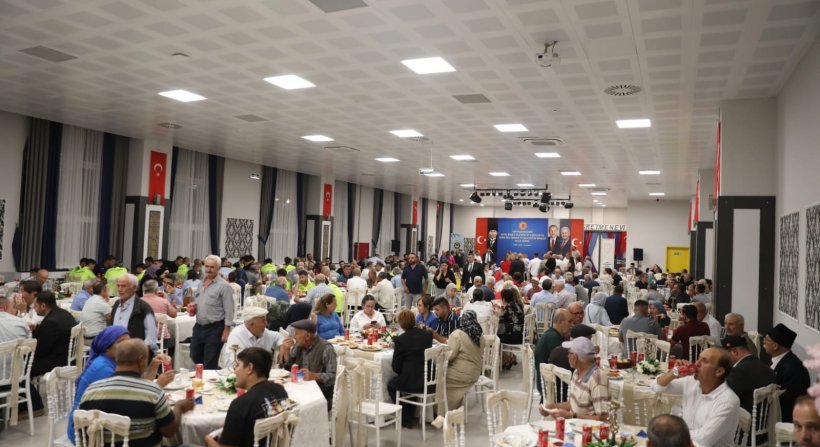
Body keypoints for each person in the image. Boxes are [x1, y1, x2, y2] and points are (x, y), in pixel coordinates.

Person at [79, 339, 195, 446]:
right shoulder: (153, 391)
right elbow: (169, 431)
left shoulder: (91, 390)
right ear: (141, 359)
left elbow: (82, 431)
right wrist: (179, 408)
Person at [652, 347, 740, 447]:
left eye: (704, 361)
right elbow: (656, 387)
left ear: (719, 371)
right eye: (698, 358)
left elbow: (703, 440)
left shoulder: (728, 401)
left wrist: (670, 431)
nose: (697, 363)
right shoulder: (692, 382)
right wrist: (674, 372)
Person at [205, 347, 288, 447]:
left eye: (237, 365)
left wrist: (208, 440)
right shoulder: (280, 390)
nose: (235, 371)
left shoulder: (241, 404)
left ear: (249, 368)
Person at [67, 326, 131, 443]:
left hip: (91, 421)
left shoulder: (109, 361)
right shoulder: (104, 369)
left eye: (129, 341)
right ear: (107, 347)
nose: (127, 346)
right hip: (84, 431)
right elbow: (123, 399)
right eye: (121, 342)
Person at [431, 309, 484, 430]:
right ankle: (452, 411)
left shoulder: (458, 334)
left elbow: (450, 356)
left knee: (440, 377)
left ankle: (441, 413)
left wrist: (438, 358)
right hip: (475, 373)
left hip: (461, 374)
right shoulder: (480, 335)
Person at [538, 337, 610, 421]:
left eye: (569, 353)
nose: (567, 356)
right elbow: (572, 404)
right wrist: (550, 408)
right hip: (573, 425)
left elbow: (604, 418)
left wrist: (570, 416)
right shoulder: (577, 373)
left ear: (574, 357)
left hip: (586, 428)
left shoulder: (597, 380)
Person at [388, 309, 433, 428]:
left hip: (413, 381)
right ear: (414, 320)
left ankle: (405, 415)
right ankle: (409, 415)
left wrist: (403, 372)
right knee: (410, 378)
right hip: (429, 380)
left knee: (392, 385)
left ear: (401, 324)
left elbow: (396, 367)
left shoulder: (401, 340)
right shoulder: (427, 335)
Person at [192, 255, 236, 369]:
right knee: (194, 356)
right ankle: (213, 372)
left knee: (209, 361)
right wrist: (193, 307)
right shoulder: (200, 283)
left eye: (212, 267)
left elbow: (229, 309)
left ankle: (209, 376)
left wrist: (227, 330)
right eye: (207, 266)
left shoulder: (224, 286)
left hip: (215, 328)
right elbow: (198, 301)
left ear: (218, 268)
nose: (209, 269)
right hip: (199, 326)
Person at [282, 319, 337, 405]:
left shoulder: (326, 348)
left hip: (320, 395)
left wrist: (315, 376)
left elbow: (333, 376)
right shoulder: (298, 346)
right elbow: (289, 369)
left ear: (307, 336)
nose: (294, 336)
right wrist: (286, 351)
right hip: (300, 389)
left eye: (297, 333)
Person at [764, 323, 811, 422]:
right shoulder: (777, 359)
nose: (763, 342)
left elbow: (788, 402)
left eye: (767, 340)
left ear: (775, 346)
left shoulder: (794, 369)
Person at [722, 335, 775, 413]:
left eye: (724, 355)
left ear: (734, 352)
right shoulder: (766, 367)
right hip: (762, 417)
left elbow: (725, 400)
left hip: (744, 418)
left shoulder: (738, 372)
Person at [221, 306, 287, 368]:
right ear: (251, 324)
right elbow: (235, 365)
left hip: (261, 373)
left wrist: (282, 346)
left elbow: (279, 337)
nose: (266, 324)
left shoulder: (264, 332)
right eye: (263, 321)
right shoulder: (237, 336)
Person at [112, 274, 159, 354]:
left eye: (123, 286)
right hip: (116, 353)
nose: (119, 289)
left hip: (134, 354)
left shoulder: (143, 307)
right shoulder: (117, 304)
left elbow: (151, 339)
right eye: (118, 286)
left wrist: (136, 353)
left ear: (134, 288)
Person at [534, 309, 572, 400]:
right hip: (549, 385)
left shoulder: (552, 334)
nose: (571, 325)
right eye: (569, 321)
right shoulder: (553, 338)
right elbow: (565, 363)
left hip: (547, 380)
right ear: (561, 322)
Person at [496, 288, 526, 369]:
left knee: (496, 339)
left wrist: (498, 312)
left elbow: (499, 319)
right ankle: (510, 358)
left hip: (514, 336)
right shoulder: (516, 305)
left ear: (503, 298)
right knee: (500, 336)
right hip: (521, 335)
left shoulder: (508, 308)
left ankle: (507, 359)